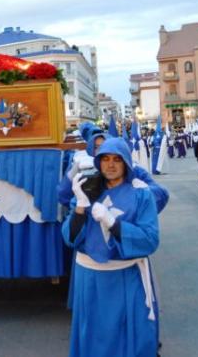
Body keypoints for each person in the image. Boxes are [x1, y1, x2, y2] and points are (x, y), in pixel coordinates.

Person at [62, 137, 160, 357]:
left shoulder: (141, 194)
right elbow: (70, 238)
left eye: (117, 159)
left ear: (126, 162)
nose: (111, 164)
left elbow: (150, 239)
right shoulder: (87, 190)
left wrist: (114, 224)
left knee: (128, 335)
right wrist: (79, 207)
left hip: (125, 276)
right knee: (93, 335)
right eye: (105, 159)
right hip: (90, 278)